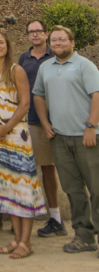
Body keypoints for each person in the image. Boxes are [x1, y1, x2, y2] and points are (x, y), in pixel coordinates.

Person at [33, 24, 99, 255]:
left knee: (97, 188)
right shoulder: (45, 68)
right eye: (54, 40)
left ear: (72, 43)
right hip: (59, 138)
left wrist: (91, 126)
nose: (58, 43)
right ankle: (84, 236)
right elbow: (38, 95)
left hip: (87, 138)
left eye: (62, 40)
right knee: (73, 190)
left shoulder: (85, 66)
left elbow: (96, 96)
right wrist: (45, 123)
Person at [0, 30, 46, 259]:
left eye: (1, 42)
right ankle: (17, 239)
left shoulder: (16, 70)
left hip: (16, 135)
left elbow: (25, 103)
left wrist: (6, 128)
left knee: (22, 188)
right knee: (7, 190)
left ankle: (26, 242)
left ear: (8, 45)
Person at [18, 19, 67, 238]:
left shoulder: (56, 54)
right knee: (37, 169)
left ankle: (62, 218)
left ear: (46, 34)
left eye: (39, 31)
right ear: (27, 35)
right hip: (32, 121)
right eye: (31, 32)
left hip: (59, 121)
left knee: (58, 169)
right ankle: (43, 218)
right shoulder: (23, 59)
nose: (35, 35)